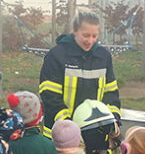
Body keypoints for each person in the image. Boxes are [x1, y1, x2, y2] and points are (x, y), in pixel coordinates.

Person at [39, 10, 121, 139]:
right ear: (75, 31)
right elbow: (50, 96)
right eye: (86, 35)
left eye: (94, 36)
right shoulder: (56, 56)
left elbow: (111, 93)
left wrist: (113, 120)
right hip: (60, 136)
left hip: (95, 134)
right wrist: (68, 127)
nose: (90, 41)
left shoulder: (103, 56)